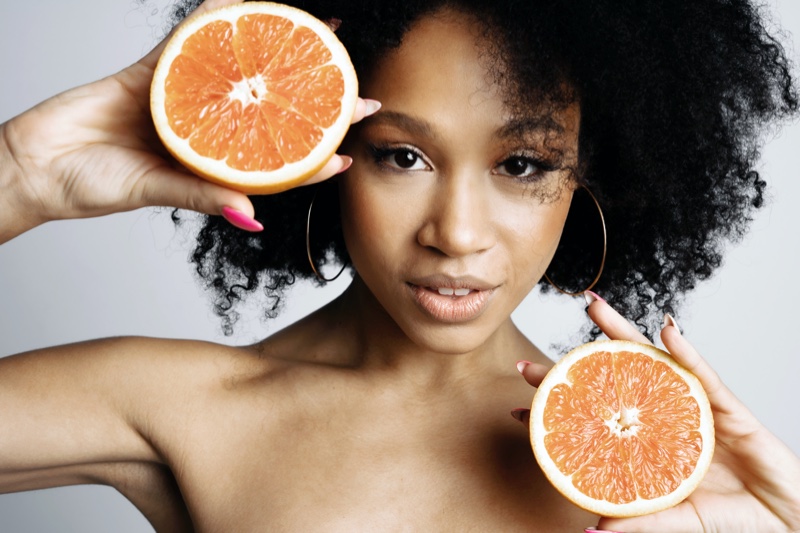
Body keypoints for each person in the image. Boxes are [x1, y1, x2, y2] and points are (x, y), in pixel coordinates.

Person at [1, 0, 799, 531]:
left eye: (522, 164)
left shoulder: (653, 476)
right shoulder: (183, 409)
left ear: (594, 173)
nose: (456, 233)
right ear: (327, 153)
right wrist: (20, 175)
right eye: (404, 156)